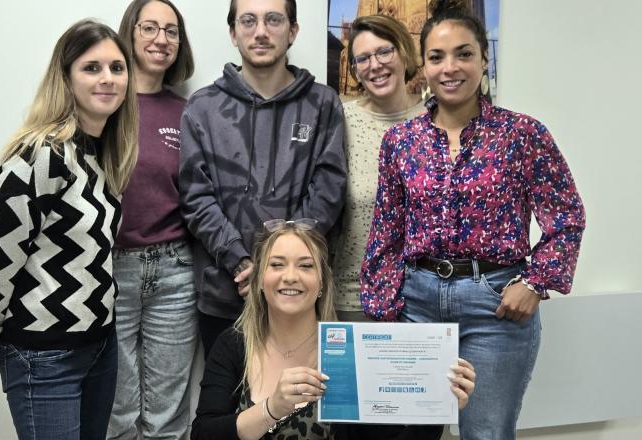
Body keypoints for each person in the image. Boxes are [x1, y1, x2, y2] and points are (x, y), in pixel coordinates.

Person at [360, 1, 586, 439]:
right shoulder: (400, 142)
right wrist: (382, 306)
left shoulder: (523, 135)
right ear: (421, 66)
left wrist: (536, 283)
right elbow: (386, 232)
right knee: (404, 433)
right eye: (437, 57)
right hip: (417, 306)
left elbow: (567, 217)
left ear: (484, 58)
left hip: (495, 310)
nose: (451, 68)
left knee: (485, 433)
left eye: (464, 54)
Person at [0, 19, 138, 440]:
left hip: (100, 348)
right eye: (91, 68)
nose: (108, 79)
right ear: (66, 77)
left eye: (117, 67)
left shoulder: (102, 156)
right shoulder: (41, 156)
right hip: (44, 355)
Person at [191, 220, 475, 440]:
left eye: (305, 266)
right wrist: (271, 409)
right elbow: (203, 433)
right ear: (260, 281)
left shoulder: (350, 352)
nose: (290, 276)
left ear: (322, 283)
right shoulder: (233, 344)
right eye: (277, 265)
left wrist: (437, 406)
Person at [179, 0, 347, 357]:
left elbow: (329, 190)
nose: (261, 31)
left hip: (298, 293)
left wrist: (279, 264)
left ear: (293, 30)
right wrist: (242, 263)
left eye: (273, 19)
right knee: (226, 407)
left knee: (299, 405)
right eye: (249, 21)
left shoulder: (323, 104)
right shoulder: (202, 107)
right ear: (233, 32)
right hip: (226, 292)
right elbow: (196, 197)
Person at [107, 1, 195, 439]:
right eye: (150, 28)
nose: (161, 39)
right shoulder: (104, 103)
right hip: (109, 271)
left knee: (167, 413)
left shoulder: (188, 113)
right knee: (116, 409)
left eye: (172, 31)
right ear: (130, 32)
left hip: (175, 271)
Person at [332, 15, 425, 322]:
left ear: (404, 53)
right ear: (355, 69)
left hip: (427, 298)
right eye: (363, 58)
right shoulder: (340, 121)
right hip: (352, 295)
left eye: (384, 52)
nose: (375, 65)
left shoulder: (436, 120)